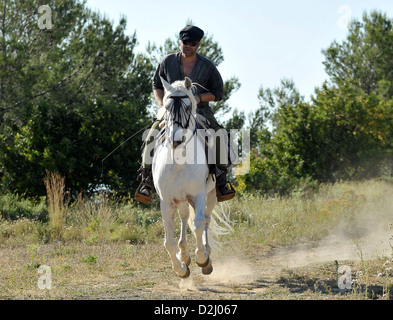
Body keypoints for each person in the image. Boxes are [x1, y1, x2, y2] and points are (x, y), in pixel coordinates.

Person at [135, 25, 235, 204]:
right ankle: (146, 181)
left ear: (199, 44)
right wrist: (163, 105)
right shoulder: (167, 62)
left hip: (200, 110)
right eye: (185, 42)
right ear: (180, 42)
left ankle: (221, 180)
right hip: (171, 110)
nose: (188, 46)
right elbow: (156, 84)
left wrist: (197, 98)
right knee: (150, 136)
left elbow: (218, 93)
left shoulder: (207, 66)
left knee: (219, 135)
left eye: (192, 43)